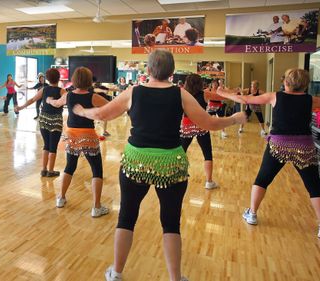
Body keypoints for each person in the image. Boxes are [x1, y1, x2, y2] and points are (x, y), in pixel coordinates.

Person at [73, 49, 245, 281]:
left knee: (127, 217)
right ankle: (175, 278)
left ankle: (117, 272)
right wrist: (234, 119)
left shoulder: (133, 92)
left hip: (136, 162)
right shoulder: (181, 94)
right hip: (171, 164)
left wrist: (83, 111)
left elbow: (103, 115)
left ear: (148, 69)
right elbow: (209, 123)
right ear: (172, 72)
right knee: (171, 222)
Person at [217, 68, 320, 239]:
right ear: (305, 84)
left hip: (278, 145)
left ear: (285, 82)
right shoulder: (311, 100)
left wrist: (224, 93)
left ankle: (252, 214)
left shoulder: (274, 96)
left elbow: (245, 99)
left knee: (263, 179)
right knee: (314, 186)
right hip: (304, 147)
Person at [46, 67, 110, 218]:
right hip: (88, 135)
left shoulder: (68, 96)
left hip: (72, 135)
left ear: (74, 80)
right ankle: (96, 207)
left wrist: (49, 100)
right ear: (89, 80)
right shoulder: (93, 97)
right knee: (97, 170)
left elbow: (55, 104)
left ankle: (60, 198)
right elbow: (109, 106)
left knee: (70, 166)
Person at [15, 68, 66, 177]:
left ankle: (44, 169)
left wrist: (21, 107)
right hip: (56, 120)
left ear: (47, 78)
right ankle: (51, 171)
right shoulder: (62, 91)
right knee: (53, 147)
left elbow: (32, 100)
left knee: (46, 145)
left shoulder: (44, 89)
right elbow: (70, 102)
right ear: (58, 78)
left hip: (43, 119)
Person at [180, 74, 219, 190]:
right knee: (207, 153)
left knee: (181, 152)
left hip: (186, 125)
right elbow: (219, 96)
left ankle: (179, 175)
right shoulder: (205, 94)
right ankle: (209, 182)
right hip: (201, 125)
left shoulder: (183, 93)